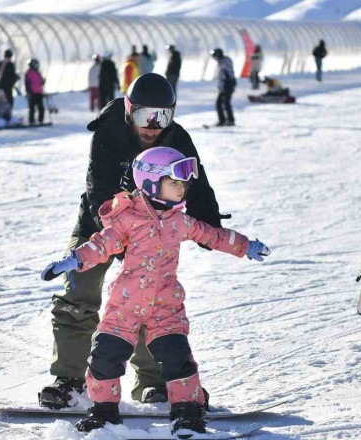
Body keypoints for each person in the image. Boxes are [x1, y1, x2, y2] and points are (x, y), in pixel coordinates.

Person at [40, 146, 271, 437]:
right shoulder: (127, 219)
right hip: (124, 305)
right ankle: (103, 412)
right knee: (104, 358)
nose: (182, 188)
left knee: (178, 358)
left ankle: (187, 413)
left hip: (166, 305)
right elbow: (102, 243)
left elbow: (212, 235)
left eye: (183, 183)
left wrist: (245, 245)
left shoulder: (180, 220)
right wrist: (73, 259)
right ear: (150, 182)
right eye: (174, 182)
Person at [38, 73, 230, 410]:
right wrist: (119, 237)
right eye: (144, 116)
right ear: (129, 111)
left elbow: (197, 185)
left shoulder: (177, 138)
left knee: (149, 300)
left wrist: (209, 226)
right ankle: (68, 380)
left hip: (152, 230)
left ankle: (154, 384)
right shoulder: (108, 132)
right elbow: (98, 188)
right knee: (77, 292)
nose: (153, 126)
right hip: (100, 223)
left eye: (163, 117)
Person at [211, 48, 236, 127]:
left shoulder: (225, 62)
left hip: (227, 85)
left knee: (225, 103)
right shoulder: (222, 62)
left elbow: (227, 75)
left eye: (215, 56)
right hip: (224, 86)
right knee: (221, 103)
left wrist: (226, 86)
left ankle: (229, 120)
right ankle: (224, 120)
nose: (215, 59)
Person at [24, 58, 46, 125]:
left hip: (39, 93)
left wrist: (43, 82)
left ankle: (40, 120)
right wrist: (28, 92)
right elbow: (27, 83)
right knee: (32, 108)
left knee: (41, 108)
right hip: (32, 93)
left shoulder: (38, 73)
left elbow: (40, 82)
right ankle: (31, 121)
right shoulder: (29, 73)